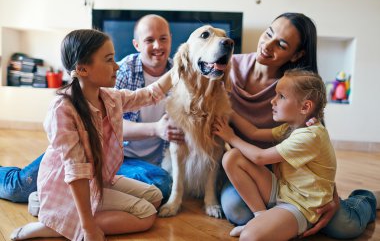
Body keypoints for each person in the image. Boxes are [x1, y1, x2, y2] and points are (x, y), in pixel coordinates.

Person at [221, 12, 378, 239]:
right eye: (268, 34)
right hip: (259, 175)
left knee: (344, 227)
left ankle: (366, 198)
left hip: (290, 181)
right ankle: (265, 217)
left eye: (281, 44)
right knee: (237, 209)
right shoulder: (226, 66)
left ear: (297, 55)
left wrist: (331, 198)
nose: (267, 45)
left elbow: (319, 156)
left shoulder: (295, 89)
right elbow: (252, 132)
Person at [10, 28, 175, 241]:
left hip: (98, 178)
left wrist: (180, 65)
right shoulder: (63, 108)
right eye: (109, 60)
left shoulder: (109, 97)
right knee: (146, 215)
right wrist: (88, 228)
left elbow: (149, 94)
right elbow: (76, 172)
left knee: (155, 197)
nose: (116, 66)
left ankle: (56, 214)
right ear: (83, 69)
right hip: (71, 186)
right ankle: (57, 225)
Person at [214, 70, 336, 240]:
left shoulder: (310, 135)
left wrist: (230, 137)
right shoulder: (289, 128)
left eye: (281, 96)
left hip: (301, 205)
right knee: (232, 157)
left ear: (305, 107)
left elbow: (260, 157)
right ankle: (260, 215)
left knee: (249, 237)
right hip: (282, 190)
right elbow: (254, 132)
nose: (273, 101)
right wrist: (228, 110)